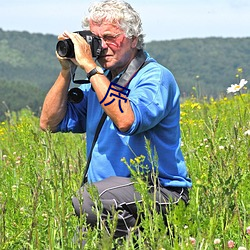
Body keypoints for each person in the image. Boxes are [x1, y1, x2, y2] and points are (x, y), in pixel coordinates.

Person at [40, 0, 192, 244]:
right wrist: (66, 70)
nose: (102, 47)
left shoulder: (154, 77)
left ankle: (146, 241)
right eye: (96, 39)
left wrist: (90, 67)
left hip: (160, 192)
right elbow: (49, 123)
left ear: (133, 39)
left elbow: (126, 120)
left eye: (110, 37)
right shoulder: (99, 83)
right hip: (110, 199)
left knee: (88, 199)